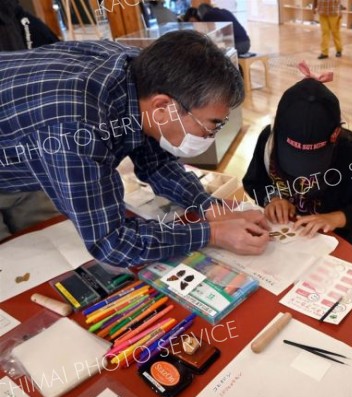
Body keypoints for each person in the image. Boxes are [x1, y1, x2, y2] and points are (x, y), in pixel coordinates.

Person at [0, 31, 270, 265]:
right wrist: (211, 233)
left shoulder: (140, 76)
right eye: (211, 125)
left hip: (25, 148)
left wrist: (209, 207)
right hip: (26, 147)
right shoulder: (77, 126)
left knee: (45, 247)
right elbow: (111, 242)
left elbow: (157, 163)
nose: (211, 135)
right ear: (163, 107)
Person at [242, 73, 352, 249]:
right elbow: (253, 182)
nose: (302, 170)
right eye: (293, 156)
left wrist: (335, 218)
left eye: (313, 160)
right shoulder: (269, 142)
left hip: (333, 246)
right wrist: (272, 199)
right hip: (283, 241)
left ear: (335, 135)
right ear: (278, 129)